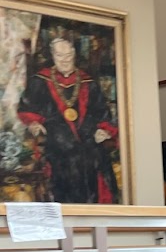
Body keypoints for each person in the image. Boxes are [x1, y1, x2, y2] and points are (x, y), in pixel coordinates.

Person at [17, 37, 120, 203]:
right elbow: (27, 108)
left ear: (74, 54)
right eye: (59, 55)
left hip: (87, 137)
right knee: (66, 158)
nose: (64, 60)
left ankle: (91, 210)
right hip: (55, 138)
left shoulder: (88, 82)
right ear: (53, 55)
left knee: (92, 158)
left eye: (68, 55)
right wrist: (33, 123)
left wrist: (104, 129)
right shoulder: (39, 81)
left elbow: (101, 111)